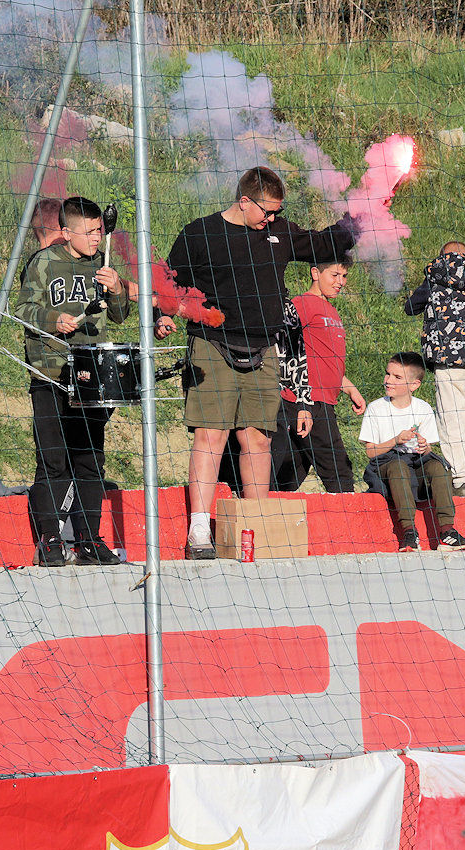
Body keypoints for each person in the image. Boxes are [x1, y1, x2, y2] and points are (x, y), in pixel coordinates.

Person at [165, 166, 356, 559]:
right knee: (211, 435)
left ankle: (256, 525)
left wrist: (364, 213)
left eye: (277, 212)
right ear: (244, 201)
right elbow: (170, 283)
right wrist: (162, 315)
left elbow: (324, 243)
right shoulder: (200, 233)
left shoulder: (280, 232)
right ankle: (199, 530)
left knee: (258, 438)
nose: (272, 218)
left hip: (264, 349)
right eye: (267, 211)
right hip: (212, 344)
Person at [13, 195, 131, 567]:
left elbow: (120, 315)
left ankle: (88, 540)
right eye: (88, 231)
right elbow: (23, 310)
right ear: (66, 232)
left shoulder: (103, 263)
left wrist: (117, 290)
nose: (96, 237)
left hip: (91, 374)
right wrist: (54, 320)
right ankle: (50, 539)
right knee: (52, 459)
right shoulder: (44, 262)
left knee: (90, 460)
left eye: (99, 230)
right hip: (50, 373)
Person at [405, 242, 465, 497]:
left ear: (441, 258)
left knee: (450, 420)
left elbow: (410, 307)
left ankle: (459, 480)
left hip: (446, 361)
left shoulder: (433, 279)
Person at [358, 352, 465, 553]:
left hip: (415, 463)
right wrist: (395, 441)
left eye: (397, 377)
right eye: (388, 374)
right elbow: (370, 452)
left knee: (437, 466)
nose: (388, 380)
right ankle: (409, 532)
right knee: (398, 466)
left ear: (414, 385)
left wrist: (424, 447)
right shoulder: (376, 408)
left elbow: (428, 449)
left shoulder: (423, 408)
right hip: (386, 465)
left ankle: (447, 531)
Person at [271, 256, 366, 493]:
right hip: (308, 399)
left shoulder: (332, 310)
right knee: (339, 470)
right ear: (315, 273)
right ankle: (349, 513)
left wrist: (350, 389)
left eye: (344, 276)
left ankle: (266, 504)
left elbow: (325, 360)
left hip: (326, 400)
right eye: (334, 275)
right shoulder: (301, 304)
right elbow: (284, 348)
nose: (340, 282)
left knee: (290, 472)